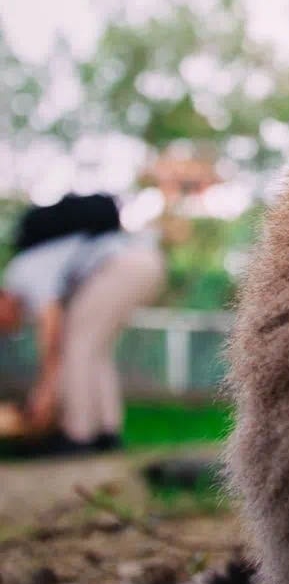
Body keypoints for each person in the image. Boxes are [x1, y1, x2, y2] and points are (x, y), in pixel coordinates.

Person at [0, 193, 165, 454]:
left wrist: (45, 391)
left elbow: (52, 330)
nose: (7, 328)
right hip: (146, 262)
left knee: (76, 346)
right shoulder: (33, 268)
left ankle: (78, 435)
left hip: (120, 265)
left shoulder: (20, 272)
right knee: (94, 350)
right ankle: (106, 432)